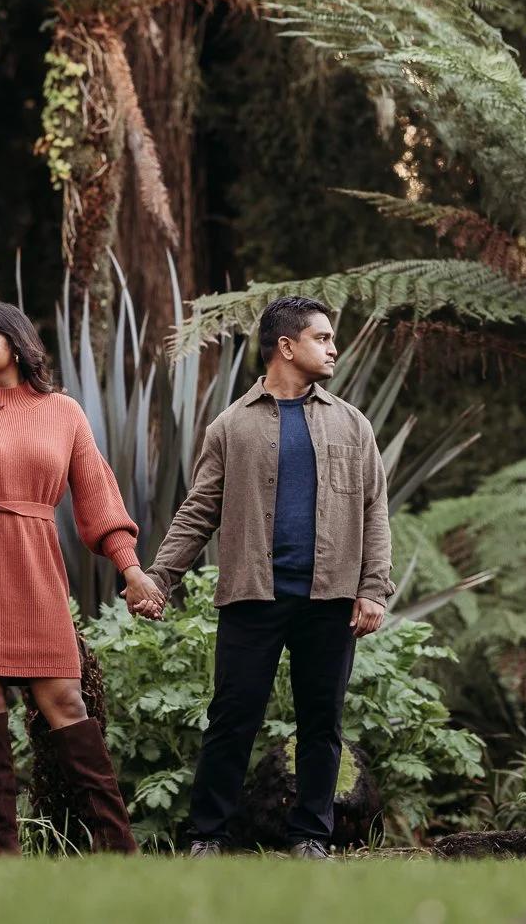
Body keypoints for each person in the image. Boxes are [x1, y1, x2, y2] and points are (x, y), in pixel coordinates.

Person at [0, 301, 166, 856]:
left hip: (36, 566)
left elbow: (97, 494)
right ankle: (4, 845)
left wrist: (132, 570)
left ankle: (118, 846)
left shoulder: (63, 412)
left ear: (17, 343)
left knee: (65, 698)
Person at [147, 295, 393, 859]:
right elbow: (199, 508)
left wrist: (374, 588)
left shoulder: (352, 424)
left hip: (329, 598)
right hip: (252, 595)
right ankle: (207, 837)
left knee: (321, 724)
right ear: (286, 346)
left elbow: (375, 508)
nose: (334, 348)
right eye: (322, 338)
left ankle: (311, 836)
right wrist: (161, 577)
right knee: (231, 720)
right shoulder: (231, 426)